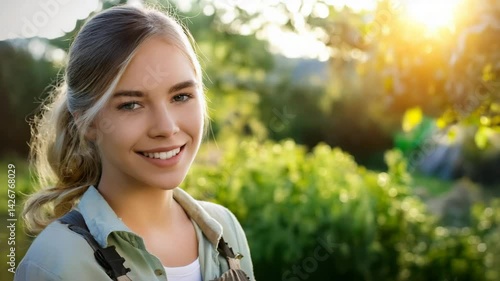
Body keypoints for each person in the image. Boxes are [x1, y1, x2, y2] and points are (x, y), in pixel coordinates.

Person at [14, 5, 254, 281]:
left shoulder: (225, 230)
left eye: (181, 97)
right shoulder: (57, 264)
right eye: (131, 105)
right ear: (88, 123)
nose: (166, 127)